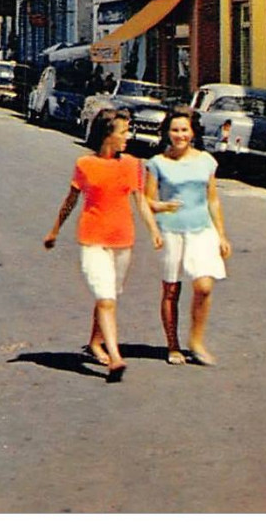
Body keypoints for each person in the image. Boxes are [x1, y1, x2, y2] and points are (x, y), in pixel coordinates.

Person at [43, 108, 168, 382]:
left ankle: (95, 343)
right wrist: (54, 230)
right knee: (106, 297)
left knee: (108, 295)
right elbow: (70, 201)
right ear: (107, 135)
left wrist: (154, 230)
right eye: (123, 132)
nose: (128, 137)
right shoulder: (85, 164)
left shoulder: (133, 164)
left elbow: (141, 201)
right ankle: (115, 357)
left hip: (123, 240)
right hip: (92, 241)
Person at [144, 107, 231, 366]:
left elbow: (213, 200)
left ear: (192, 132)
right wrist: (162, 207)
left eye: (184, 130)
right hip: (172, 231)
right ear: (167, 133)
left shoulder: (206, 161)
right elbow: (147, 200)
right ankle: (173, 345)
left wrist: (222, 235)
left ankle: (196, 341)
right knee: (171, 290)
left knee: (204, 286)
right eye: (175, 130)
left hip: (202, 230)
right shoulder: (157, 163)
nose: (180, 135)